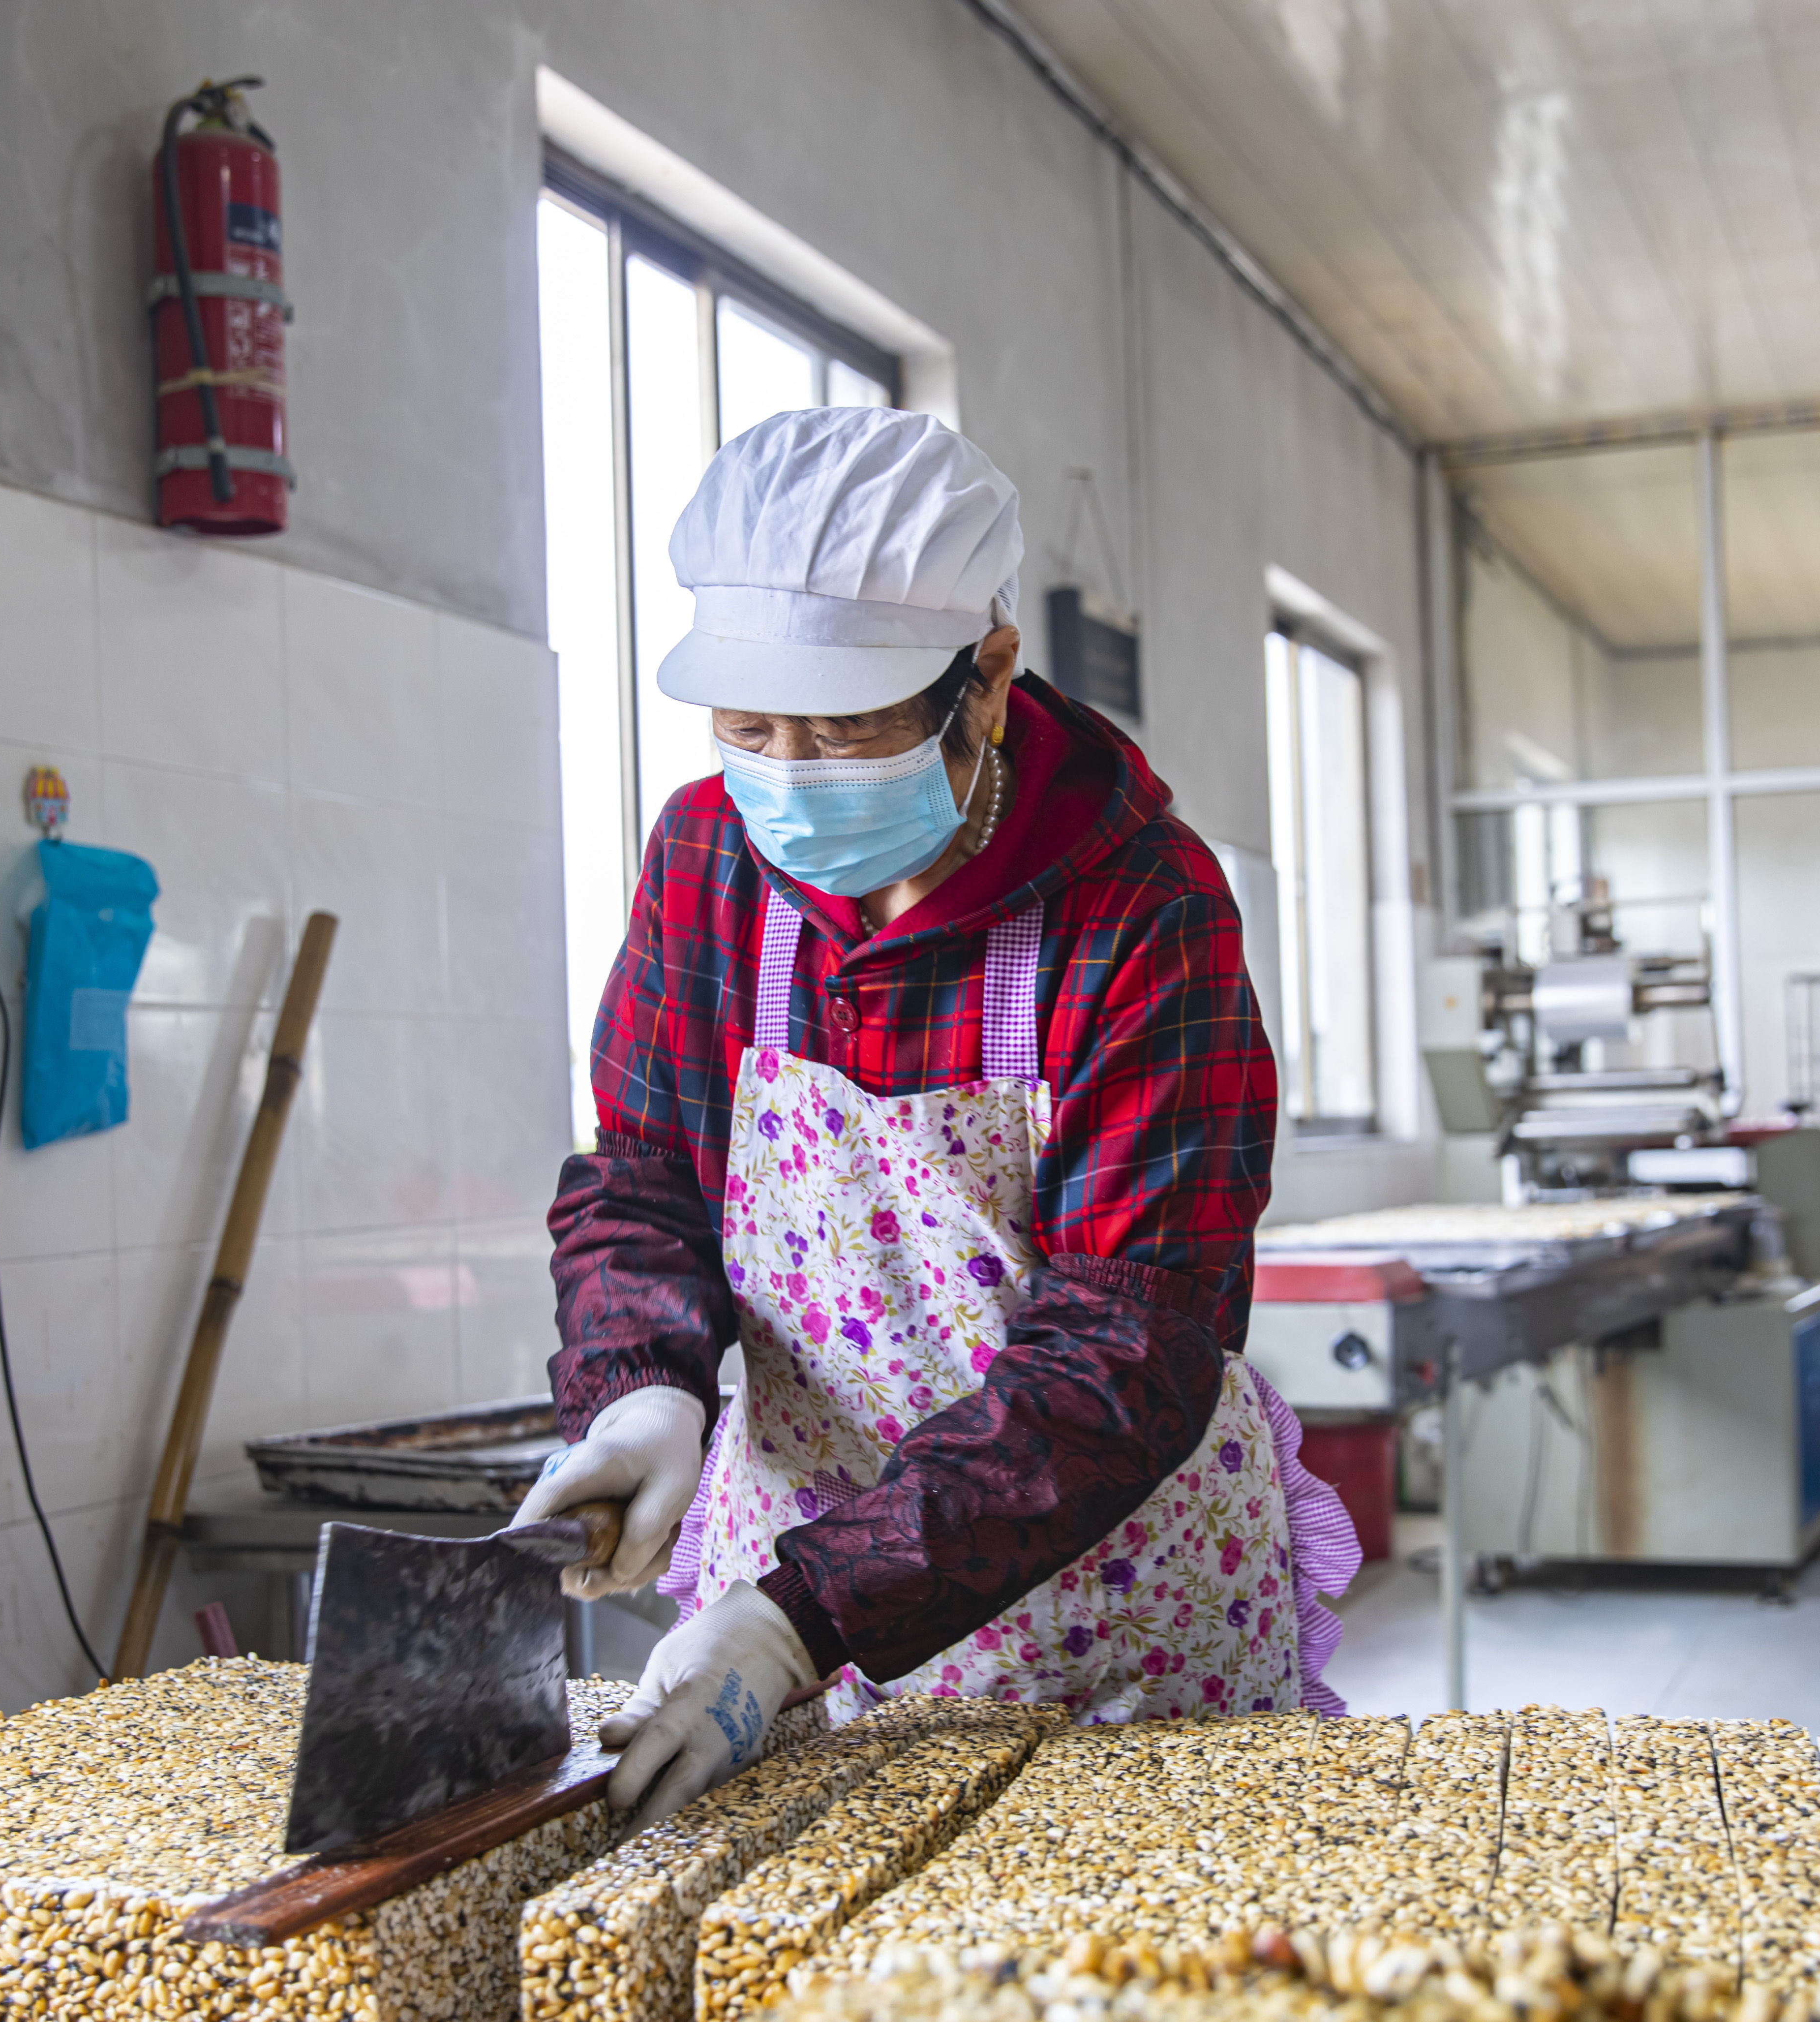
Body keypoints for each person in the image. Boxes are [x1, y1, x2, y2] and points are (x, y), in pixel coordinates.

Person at [513, 406, 1359, 1825]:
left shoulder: (1139, 903)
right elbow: (646, 1173)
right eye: (747, 729)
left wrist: (805, 1618)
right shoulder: (708, 857)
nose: (787, 775)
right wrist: (641, 1388)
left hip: (1106, 1611)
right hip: (783, 1593)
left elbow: (1128, 1347)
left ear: (989, 677)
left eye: (843, 733)